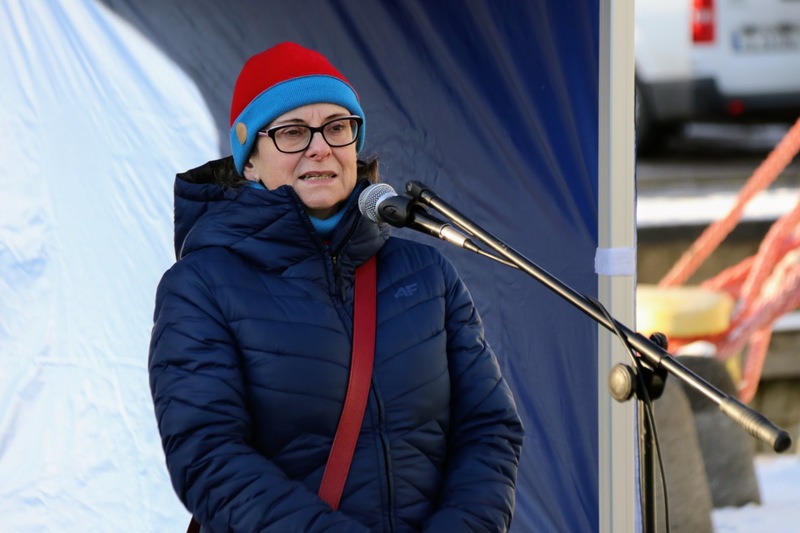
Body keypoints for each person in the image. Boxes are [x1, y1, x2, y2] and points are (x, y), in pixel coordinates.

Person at [148, 41, 524, 532]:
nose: (320, 147)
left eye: (337, 127)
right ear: (249, 161)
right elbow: (209, 458)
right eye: (292, 132)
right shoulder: (199, 287)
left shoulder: (427, 274)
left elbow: (489, 428)